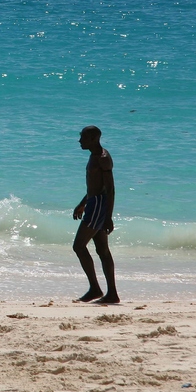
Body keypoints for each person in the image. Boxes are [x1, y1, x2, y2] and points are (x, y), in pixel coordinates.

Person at [72, 125, 119, 303]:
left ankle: (95, 288)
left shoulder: (103, 158)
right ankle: (110, 293)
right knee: (102, 250)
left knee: (79, 246)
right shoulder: (94, 156)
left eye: (83, 137)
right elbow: (95, 186)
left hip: (99, 205)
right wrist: (82, 203)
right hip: (93, 203)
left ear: (93, 139)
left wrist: (108, 216)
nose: (79, 141)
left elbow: (110, 189)